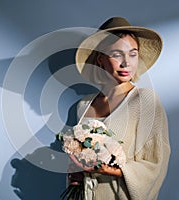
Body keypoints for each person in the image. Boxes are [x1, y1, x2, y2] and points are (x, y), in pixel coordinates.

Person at [67, 17, 171, 200]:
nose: (126, 63)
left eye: (133, 54)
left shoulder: (145, 100)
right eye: (117, 54)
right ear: (100, 59)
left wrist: (111, 170)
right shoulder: (83, 105)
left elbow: (156, 163)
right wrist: (75, 172)